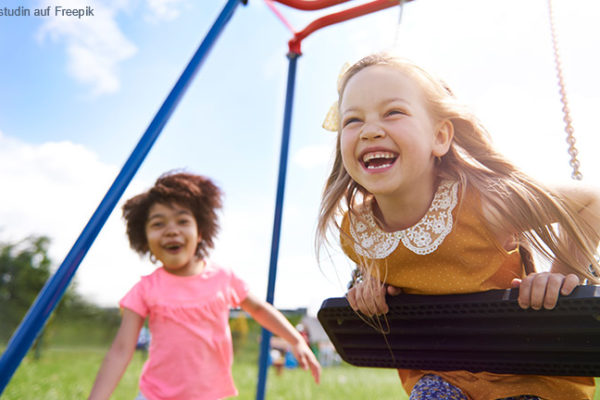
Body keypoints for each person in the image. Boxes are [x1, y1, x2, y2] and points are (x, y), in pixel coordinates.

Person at [316, 52, 600, 400]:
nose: (371, 130)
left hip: (526, 374)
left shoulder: (484, 205)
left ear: (440, 137)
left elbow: (592, 200)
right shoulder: (357, 232)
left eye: (393, 112)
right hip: (442, 374)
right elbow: (401, 271)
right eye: (353, 120)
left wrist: (559, 275)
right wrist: (371, 286)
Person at [88, 172, 320, 400]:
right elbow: (121, 349)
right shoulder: (145, 289)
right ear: (145, 236)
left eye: (182, 221)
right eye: (158, 223)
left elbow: (259, 310)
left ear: (200, 232)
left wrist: (296, 339)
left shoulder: (223, 278)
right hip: (154, 396)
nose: (171, 230)